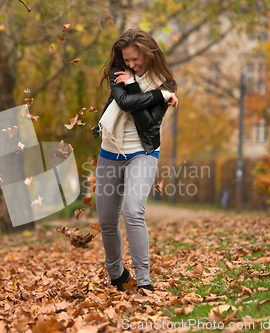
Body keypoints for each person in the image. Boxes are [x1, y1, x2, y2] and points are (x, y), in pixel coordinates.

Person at [92, 29, 178, 292]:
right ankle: (116, 273)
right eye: (126, 59)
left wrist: (135, 85)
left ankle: (144, 280)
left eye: (135, 59)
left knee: (132, 211)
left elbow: (147, 122)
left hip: (143, 153)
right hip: (110, 151)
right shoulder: (120, 71)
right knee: (106, 220)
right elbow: (123, 101)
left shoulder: (166, 82)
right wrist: (157, 96)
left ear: (148, 53)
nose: (130, 64)